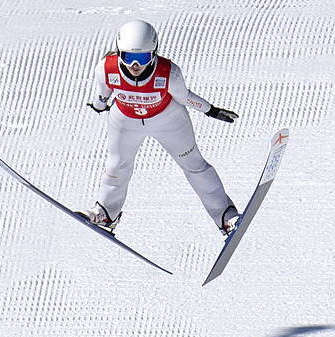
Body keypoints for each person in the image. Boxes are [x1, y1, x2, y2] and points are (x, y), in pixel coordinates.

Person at [83, 19, 240, 236]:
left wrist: (210, 110)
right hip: (125, 121)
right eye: (129, 57)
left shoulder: (168, 72)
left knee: (194, 166)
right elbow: (102, 95)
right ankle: (106, 212)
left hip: (168, 120)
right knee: (116, 166)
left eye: (143, 58)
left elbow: (185, 98)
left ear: (154, 53)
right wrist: (99, 106)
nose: (135, 66)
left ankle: (226, 216)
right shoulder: (106, 68)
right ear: (119, 53)